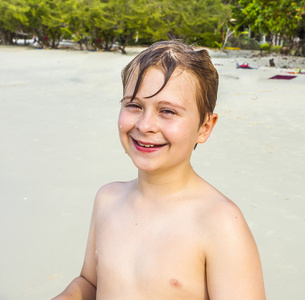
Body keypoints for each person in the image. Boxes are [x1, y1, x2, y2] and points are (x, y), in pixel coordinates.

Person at [52, 40, 265, 299]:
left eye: (167, 111)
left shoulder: (219, 223)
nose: (145, 125)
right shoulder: (107, 200)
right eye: (134, 105)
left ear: (205, 127)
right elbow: (90, 282)